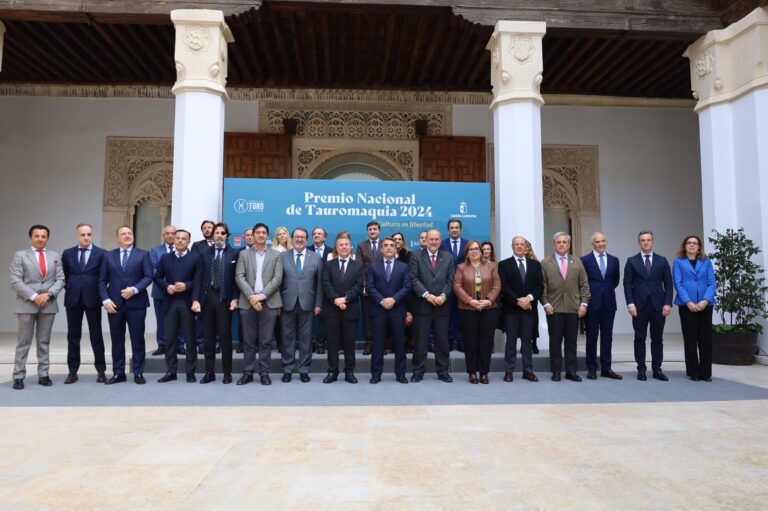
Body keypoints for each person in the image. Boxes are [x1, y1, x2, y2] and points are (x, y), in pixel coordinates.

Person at [9, 224, 65, 390]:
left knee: (44, 341)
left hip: (48, 303)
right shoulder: (20, 256)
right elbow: (15, 280)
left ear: (47, 238)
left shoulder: (55, 256)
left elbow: (61, 279)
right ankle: (18, 376)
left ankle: (44, 375)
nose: (40, 239)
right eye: (37, 236)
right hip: (26, 304)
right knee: (23, 342)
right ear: (30, 238)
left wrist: (48, 294)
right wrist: (34, 296)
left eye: (43, 236)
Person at [98, 225, 153, 385]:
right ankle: (118, 373)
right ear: (117, 238)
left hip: (137, 303)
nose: (127, 235)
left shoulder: (143, 254)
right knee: (117, 340)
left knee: (137, 339)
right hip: (114, 305)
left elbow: (148, 276)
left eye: (130, 233)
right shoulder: (108, 256)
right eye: (123, 234)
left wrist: (134, 289)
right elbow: (101, 280)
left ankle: (138, 372)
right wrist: (106, 300)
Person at [235, 223, 283, 386]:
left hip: (269, 302)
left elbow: (277, 278)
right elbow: (239, 276)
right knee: (248, 342)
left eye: (264, 232)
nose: (261, 235)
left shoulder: (276, 255)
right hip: (247, 302)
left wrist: (261, 296)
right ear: (253, 235)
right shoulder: (244, 254)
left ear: (268, 236)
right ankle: (248, 373)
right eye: (258, 232)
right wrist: (252, 297)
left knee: (266, 341)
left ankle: (264, 373)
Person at [192, 222, 239, 384]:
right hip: (207, 299)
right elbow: (198, 278)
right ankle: (209, 372)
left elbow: (237, 280)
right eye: (217, 233)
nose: (219, 235)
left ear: (227, 236)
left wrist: (235, 298)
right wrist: (196, 299)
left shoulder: (234, 254)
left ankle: (227, 373)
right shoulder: (204, 254)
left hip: (225, 300)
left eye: (222, 233)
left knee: (225, 337)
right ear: (212, 235)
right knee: (208, 338)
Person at [540, 232, 590, 382]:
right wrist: (545, 303)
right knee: (555, 342)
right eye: (558, 242)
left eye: (564, 242)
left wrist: (584, 303)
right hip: (553, 308)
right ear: (554, 244)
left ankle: (571, 372)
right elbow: (542, 286)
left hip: (573, 308)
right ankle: (556, 371)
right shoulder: (545, 262)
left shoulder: (577, 262)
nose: (561, 244)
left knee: (571, 342)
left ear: (569, 244)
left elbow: (584, 284)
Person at [624, 230, 673, 381]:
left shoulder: (662, 261)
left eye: (648, 240)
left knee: (657, 339)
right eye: (643, 240)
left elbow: (668, 283)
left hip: (659, 305)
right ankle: (641, 369)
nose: (646, 242)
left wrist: (668, 303)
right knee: (639, 338)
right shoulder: (632, 261)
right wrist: (630, 304)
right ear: (639, 242)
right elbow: (627, 284)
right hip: (639, 306)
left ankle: (657, 369)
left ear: (653, 241)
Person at [61, 223, 107, 384]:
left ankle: (101, 371)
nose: (86, 237)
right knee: (73, 336)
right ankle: (72, 372)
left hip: (93, 298)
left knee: (96, 335)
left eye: (89, 234)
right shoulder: (68, 253)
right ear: (77, 236)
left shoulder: (101, 253)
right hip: (73, 299)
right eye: (83, 235)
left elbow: (103, 277)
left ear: (92, 235)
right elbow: (65, 275)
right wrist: (73, 287)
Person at [155, 229, 202, 383]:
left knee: (190, 339)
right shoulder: (165, 258)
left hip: (188, 303)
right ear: (173, 240)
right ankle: (171, 371)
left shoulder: (195, 257)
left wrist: (187, 286)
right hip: (170, 302)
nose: (180, 240)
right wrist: (166, 286)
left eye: (184, 238)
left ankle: (190, 372)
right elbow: (157, 278)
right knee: (170, 339)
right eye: (178, 238)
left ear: (189, 241)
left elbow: (199, 280)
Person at [410, 229, 455, 382]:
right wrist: (427, 295)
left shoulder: (448, 257)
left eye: (436, 239)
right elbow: (414, 279)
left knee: (442, 341)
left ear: (440, 241)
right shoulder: (416, 256)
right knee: (420, 341)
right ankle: (418, 371)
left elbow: (450, 280)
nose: (434, 242)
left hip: (442, 306)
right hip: (423, 305)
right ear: (426, 240)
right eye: (431, 239)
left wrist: (443, 296)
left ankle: (443, 371)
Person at [453, 240, 500, 384]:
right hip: (468, 310)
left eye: (476, 249)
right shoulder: (461, 267)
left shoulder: (491, 266)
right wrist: (470, 301)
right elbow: (457, 286)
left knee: (486, 342)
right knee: (470, 342)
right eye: (471, 249)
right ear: (467, 253)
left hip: (488, 309)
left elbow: (497, 285)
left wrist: (488, 300)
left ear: (481, 251)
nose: (474, 251)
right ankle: (472, 372)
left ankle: (484, 372)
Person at [280, 227, 323, 382]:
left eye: (302, 237)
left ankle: (304, 370)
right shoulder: (282, 256)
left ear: (307, 239)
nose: (299, 239)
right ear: (292, 239)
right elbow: (278, 282)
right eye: (297, 237)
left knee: (306, 339)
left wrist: (318, 304)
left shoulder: (316, 257)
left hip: (308, 304)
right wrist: (277, 304)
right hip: (287, 303)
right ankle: (288, 369)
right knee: (287, 338)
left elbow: (319, 284)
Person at [367, 237, 412, 384]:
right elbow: (369, 287)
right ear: (381, 249)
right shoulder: (374, 267)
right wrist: (382, 301)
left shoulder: (403, 267)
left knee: (399, 344)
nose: (388, 248)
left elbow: (407, 286)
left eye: (391, 245)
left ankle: (400, 374)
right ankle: (376, 374)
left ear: (396, 248)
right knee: (378, 344)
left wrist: (393, 300)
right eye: (385, 245)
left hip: (397, 310)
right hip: (378, 310)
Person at [498, 236, 543, 383]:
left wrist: (529, 298)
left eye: (521, 244)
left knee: (527, 341)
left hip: (529, 309)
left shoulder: (535, 265)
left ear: (526, 248)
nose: (519, 247)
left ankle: (528, 371)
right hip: (511, 310)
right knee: (510, 342)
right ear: (512, 247)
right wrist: (519, 301)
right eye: (516, 244)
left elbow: (540, 286)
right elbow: (504, 287)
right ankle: (509, 371)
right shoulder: (504, 264)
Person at [321, 231, 364, 384]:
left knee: (349, 343)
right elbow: (326, 284)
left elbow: (359, 286)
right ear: (336, 247)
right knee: (332, 343)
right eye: (341, 245)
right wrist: (336, 300)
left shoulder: (358, 265)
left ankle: (349, 372)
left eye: (346, 244)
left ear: (350, 246)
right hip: (331, 310)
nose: (344, 247)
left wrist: (345, 299)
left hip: (350, 309)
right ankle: (332, 372)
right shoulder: (328, 264)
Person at [673, 235, 716, 382]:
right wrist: (689, 302)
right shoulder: (678, 262)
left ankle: (706, 373)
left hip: (706, 305)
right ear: (685, 246)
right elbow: (678, 283)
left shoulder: (706, 261)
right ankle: (694, 372)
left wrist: (705, 300)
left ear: (699, 247)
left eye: (695, 243)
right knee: (690, 339)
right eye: (689, 243)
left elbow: (712, 283)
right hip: (687, 306)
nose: (692, 245)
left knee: (706, 340)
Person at [580, 232, 623, 380]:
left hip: (609, 304)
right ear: (593, 244)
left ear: (607, 242)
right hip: (592, 303)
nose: (601, 244)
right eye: (597, 242)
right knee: (591, 337)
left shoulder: (614, 260)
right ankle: (591, 369)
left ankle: (606, 368)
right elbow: (583, 282)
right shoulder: (585, 260)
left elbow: (615, 281)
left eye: (603, 241)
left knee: (607, 337)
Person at [150, 225, 184, 356]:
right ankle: (162, 345)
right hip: (161, 291)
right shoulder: (155, 250)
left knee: (180, 319)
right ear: (163, 235)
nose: (170, 236)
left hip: (180, 291)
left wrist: (177, 285)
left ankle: (180, 345)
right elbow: (153, 270)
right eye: (167, 233)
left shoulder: (183, 249)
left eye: (173, 233)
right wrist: (167, 285)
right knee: (161, 320)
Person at [440, 219, 467, 351]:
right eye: (452, 227)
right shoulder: (442, 244)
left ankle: (461, 341)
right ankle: (449, 341)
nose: (454, 230)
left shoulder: (467, 244)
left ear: (460, 229)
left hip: (464, 285)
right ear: (448, 229)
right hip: (446, 284)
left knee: (462, 314)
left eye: (457, 227)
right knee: (448, 314)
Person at [356, 220, 383, 355]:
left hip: (383, 287)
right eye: (370, 229)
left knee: (382, 317)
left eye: (374, 229)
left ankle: (380, 344)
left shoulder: (386, 244)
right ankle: (369, 343)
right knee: (367, 316)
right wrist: (364, 286)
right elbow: (359, 267)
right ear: (367, 232)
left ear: (379, 231)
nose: (372, 231)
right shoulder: (361, 246)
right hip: (367, 287)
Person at [307, 227, 329, 355]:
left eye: (319, 234)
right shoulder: (306, 250)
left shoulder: (331, 251)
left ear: (325, 237)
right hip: (308, 289)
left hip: (326, 290)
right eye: (314, 233)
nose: (316, 235)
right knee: (308, 319)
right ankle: (310, 344)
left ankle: (320, 343)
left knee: (323, 319)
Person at [235, 227, 255, 354]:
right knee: (243, 320)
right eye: (247, 235)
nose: (250, 237)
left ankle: (255, 344)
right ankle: (242, 343)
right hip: (242, 291)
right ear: (243, 238)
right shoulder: (237, 253)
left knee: (258, 321)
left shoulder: (264, 252)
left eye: (252, 235)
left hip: (259, 292)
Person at [525, 239, 541, 354]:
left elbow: (539, 282)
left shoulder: (535, 262)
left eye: (527, 246)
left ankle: (534, 343)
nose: (526, 248)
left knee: (533, 322)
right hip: (520, 297)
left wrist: (531, 297)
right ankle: (524, 344)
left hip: (532, 297)